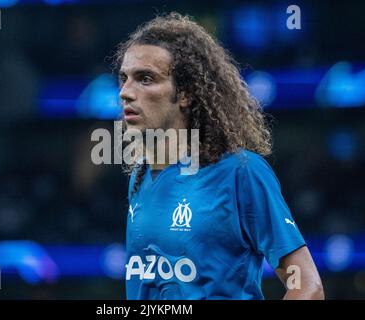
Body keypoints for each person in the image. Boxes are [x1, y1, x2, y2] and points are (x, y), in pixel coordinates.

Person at [114, 12, 324, 300]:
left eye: (145, 79)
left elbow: (307, 285)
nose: (126, 92)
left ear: (186, 93)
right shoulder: (140, 177)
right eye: (123, 79)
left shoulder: (242, 172)